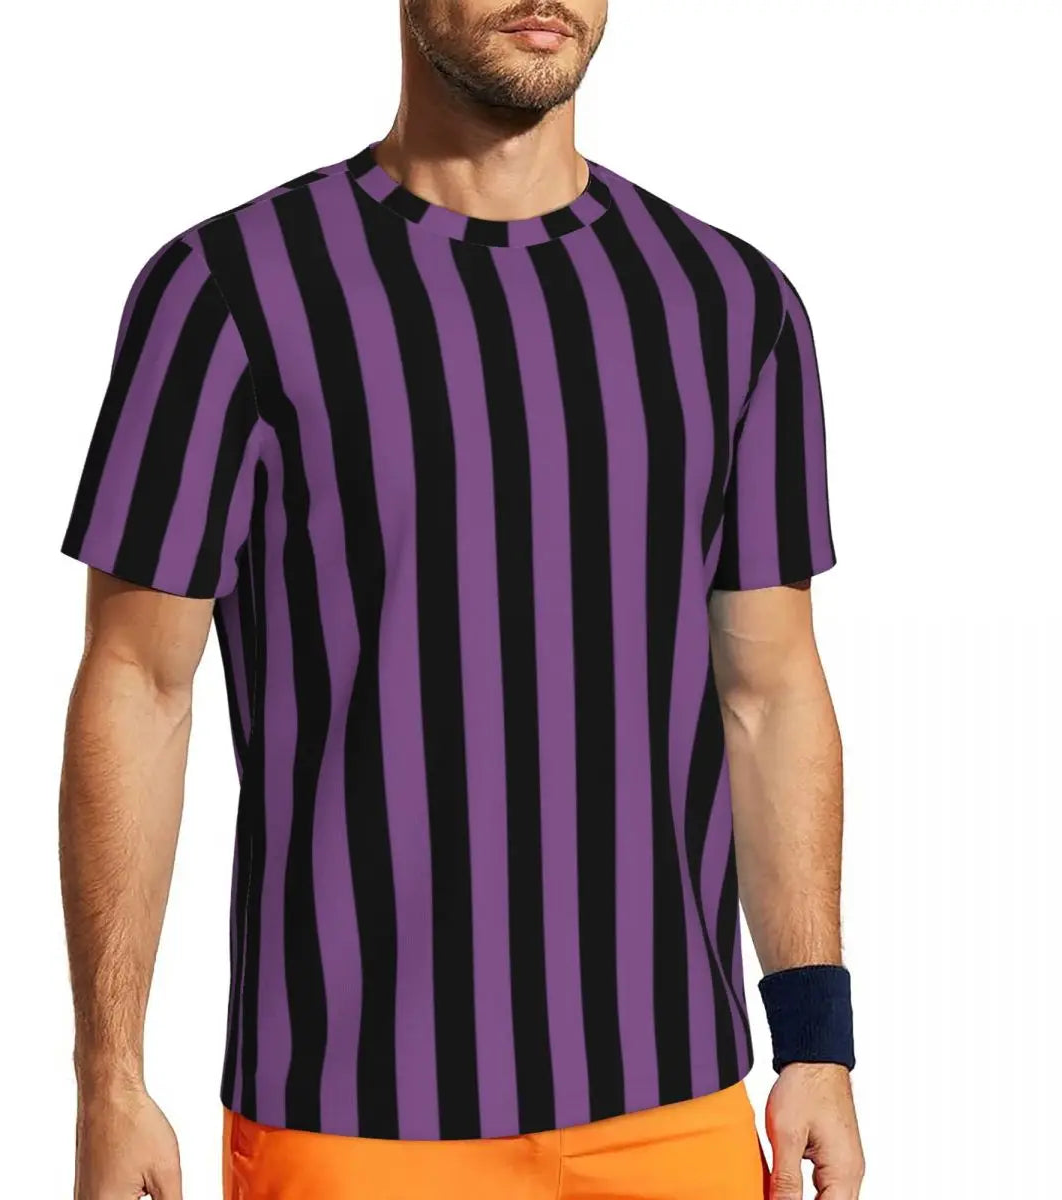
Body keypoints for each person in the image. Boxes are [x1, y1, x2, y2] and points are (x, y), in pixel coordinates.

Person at [58, 2, 865, 1197]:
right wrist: (110, 1078)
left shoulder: (729, 305)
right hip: (352, 1119)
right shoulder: (230, 293)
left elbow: (771, 690)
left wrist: (816, 1042)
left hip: (675, 1107)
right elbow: (139, 684)